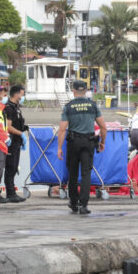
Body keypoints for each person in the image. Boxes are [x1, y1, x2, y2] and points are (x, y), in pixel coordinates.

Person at [57, 80, 107, 214]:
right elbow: (103, 127)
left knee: (72, 173)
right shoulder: (93, 106)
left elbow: (62, 129)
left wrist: (59, 148)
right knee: (86, 174)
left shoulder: (68, 107)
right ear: (85, 91)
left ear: (73, 90)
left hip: (73, 142)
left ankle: (73, 202)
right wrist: (102, 142)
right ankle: (84, 205)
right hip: (88, 142)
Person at [3, 85, 28, 203]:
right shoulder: (8, 108)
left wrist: (24, 130)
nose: (23, 96)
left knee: (14, 167)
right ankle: (10, 193)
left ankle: (13, 192)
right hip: (11, 141)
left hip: (17, 141)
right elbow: (8, 127)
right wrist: (20, 133)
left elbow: (19, 123)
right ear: (16, 94)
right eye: (22, 94)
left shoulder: (17, 107)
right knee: (10, 167)